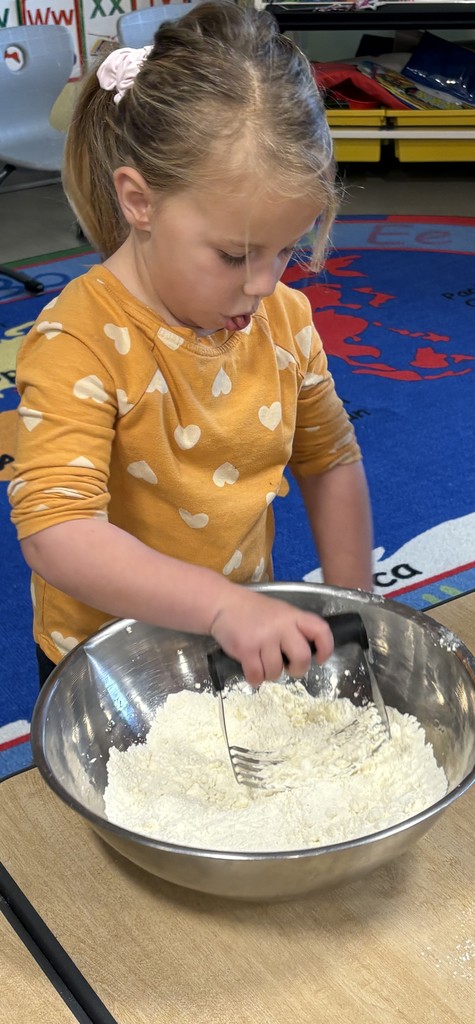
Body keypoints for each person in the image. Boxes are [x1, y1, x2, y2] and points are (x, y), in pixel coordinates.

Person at [9, 0, 373, 687]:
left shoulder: (285, 321)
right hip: (108, 661)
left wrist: (357, 612)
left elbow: (331, 461)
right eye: (236, 257)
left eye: (286, 251)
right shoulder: (77, 340)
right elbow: (57, 530)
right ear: (140, 202)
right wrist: (221, 606)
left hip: (232, 640)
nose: (265, 286)